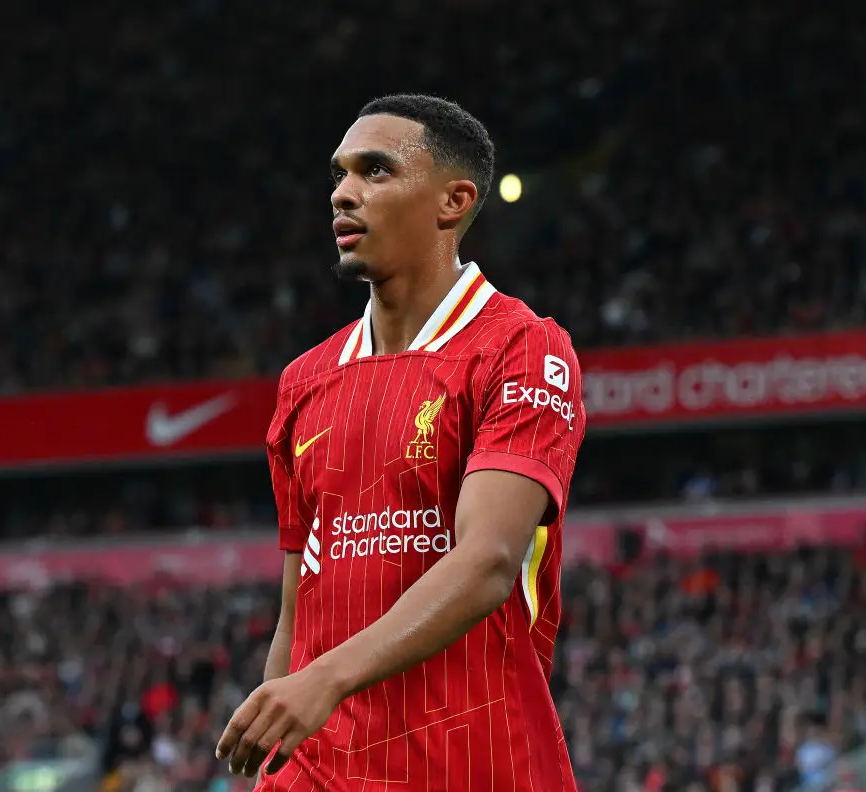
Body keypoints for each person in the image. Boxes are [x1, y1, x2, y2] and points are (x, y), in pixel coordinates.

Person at [216, 94, 587, 791]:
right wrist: (276, 752)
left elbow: (488, 560)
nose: (344, 194)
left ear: (453, 201)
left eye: (376, 171)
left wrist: (323, 680)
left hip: (476, 763)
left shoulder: (523, 349)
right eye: (338, 175)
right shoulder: (305, 382)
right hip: (325, 772)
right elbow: (300, 604)